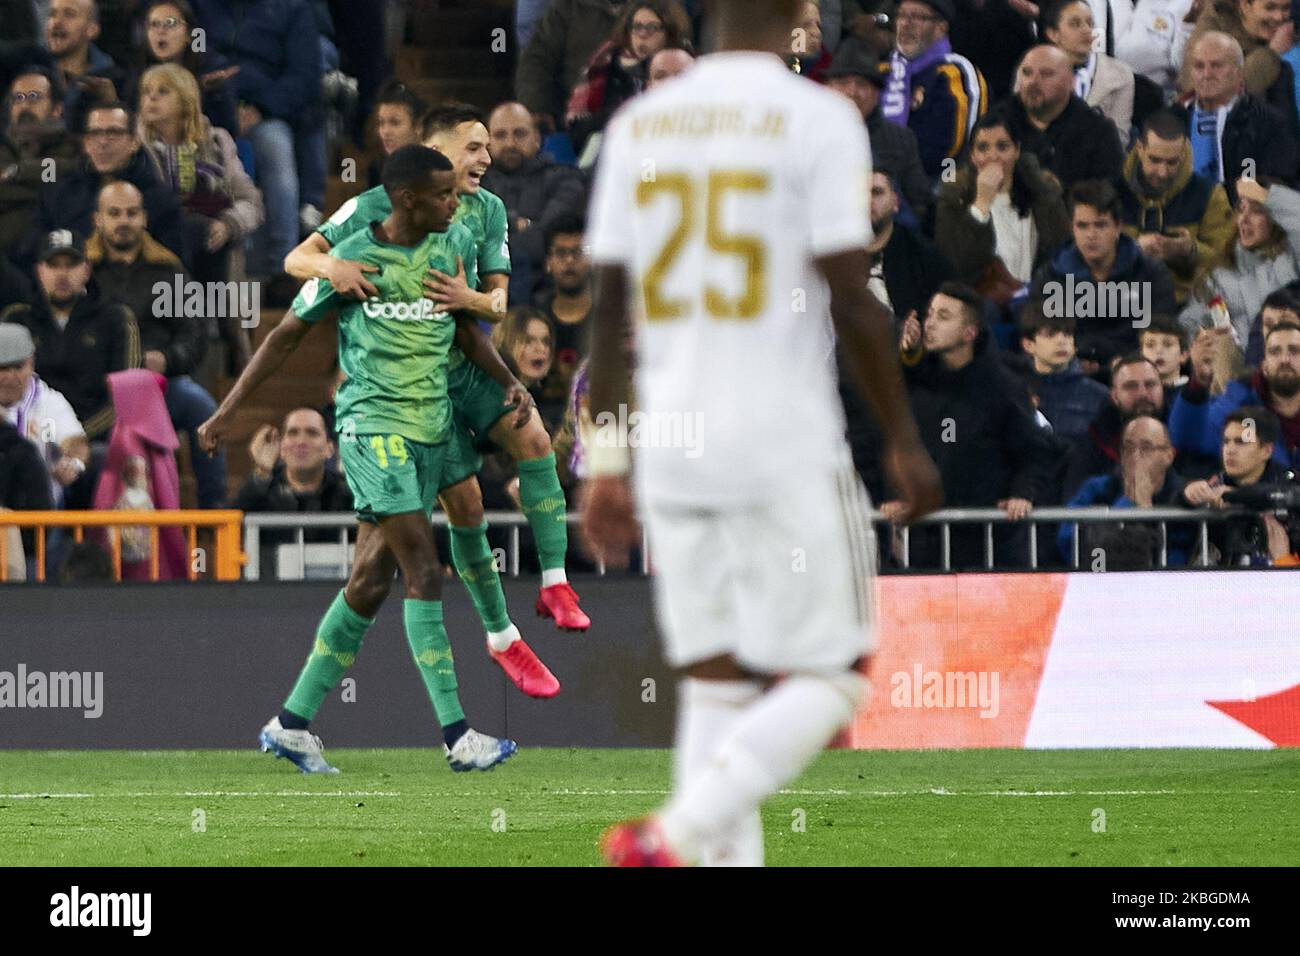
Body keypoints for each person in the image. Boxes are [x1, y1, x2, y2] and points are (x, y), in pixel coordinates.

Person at [583, 0, 943, 867]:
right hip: (780, 430)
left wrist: (605, 456)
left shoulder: (642, 123)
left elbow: (605, 304)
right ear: (790, 20)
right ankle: (672, 835)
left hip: (672, 434)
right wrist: (902, 434)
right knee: (835, 674)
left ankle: (696, 841)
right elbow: (852, 295)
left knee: (715, 683)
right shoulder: (818, 119)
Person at [197, 145, 526, 774]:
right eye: (444, 195)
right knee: (424, 570)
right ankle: (459, 735)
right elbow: (285, 336)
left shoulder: (449, 247)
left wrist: (508, 379)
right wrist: (226, 412)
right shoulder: (352, 263)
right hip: (373, 433)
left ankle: (291, 723)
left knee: (371, 582)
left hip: (431, 430)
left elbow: (461, 330)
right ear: (407, 198)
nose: (457, 204)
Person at [286, 102, 593, 640]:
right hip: (407, 390)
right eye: (474, 147)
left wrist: (466, 296)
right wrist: (332, 265)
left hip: (470, 359)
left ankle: (554, 582)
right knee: (443, 523)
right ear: (437, 151)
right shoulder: (373, 207)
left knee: (536, 441)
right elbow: (296, 259)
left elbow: (498, 307)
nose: (486, 157)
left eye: (488, 148)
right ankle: (499, 637)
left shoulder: (490, 209)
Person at [887, 283, 1059, 568]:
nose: (929, 324)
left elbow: (1035, 451)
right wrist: (893, 496)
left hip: (988, 546)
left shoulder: (1002, 387)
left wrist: (1022, 493)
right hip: (924, 545)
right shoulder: (916, 381)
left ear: (969, 333)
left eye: (943, 317)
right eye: (929, 315)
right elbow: (890, 443)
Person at [87, 180, 228, 507]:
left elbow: (196, 336)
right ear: (98, 219)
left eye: (132, 213)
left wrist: (166, 359)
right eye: (115, 213)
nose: (124, 221)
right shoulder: (83, 272)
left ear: (145, 219)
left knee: (203, 408)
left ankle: (214, 515)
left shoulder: (170, 270)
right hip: (98, 389)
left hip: (157, 387)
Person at [190, 0, 324, 287]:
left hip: (267, 110)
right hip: (206, 104)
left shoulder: (293, 9)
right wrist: (212, 81)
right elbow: (194, 45)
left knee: (277, 148)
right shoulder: (203, 6)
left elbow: (304, 76)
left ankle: (282, 270)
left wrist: (262, 107)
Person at [137, 62, 263, 304]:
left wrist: (228, 225)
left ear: (186, 99)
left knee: (211, 238)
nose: (151, 98)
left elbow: (251, 202)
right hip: (159, 242)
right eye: (146, 92)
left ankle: (225, 331)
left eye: (162, 91)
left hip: (214, 244)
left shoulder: (218, 141)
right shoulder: (136, 147)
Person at [0, 229, 138, 444]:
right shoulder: (16, 319)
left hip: (95, 440)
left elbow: (124, 398)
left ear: (86, 270)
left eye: (71, 264)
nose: (62, 274)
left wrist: (74, 437)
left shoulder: (116, 318)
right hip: (25, 438)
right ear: (39, 270)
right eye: (53, 265)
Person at [1029, 178, 1178, 369]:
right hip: (1069, 372)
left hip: (1136, 371)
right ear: (1072, 228)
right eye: (1082, 226)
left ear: (1117, 227)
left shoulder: (1151, 274)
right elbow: (1038, 336)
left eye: (1100, 225)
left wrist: (1120, 362)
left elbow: (1161, 334)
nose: (1091, 235)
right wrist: (1074, 361)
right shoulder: (1049, 277)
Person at [934, 109, 1071, 298]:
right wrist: (981, 204)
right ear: (972, 156)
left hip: (1037, 300)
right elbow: (957, 267)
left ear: (1017, 150)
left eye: (1002, 146)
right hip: (979, 303)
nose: (993, 156)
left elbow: (1064, 251)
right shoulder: (953, 198)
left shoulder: (1043, 195)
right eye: (983, 148)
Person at [32, 100, 186, 268]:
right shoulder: (59, 193)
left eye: (113, 132)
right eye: (95, 133)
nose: (103, 142)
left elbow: (174, 265)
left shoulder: (161, 199)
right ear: (86, 143)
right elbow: (35, 253)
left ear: (134, 142)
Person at [1119, 108, 1237, 306]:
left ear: (1183, 153)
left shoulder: (1209, 195)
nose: (1163, 172)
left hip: (1185, 307)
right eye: (1155, 160)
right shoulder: (1111, 193)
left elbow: (1229, 263)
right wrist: (1135, 248)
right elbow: (1088, 257)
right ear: (1139, 148)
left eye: (1172, 162)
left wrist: (1190, 251)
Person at [482, 101, 586, 307]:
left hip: (547, 295)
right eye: (500, 135)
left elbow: (545, 243)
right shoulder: (476, 183)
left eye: (519, 134)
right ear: (488, 142)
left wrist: (499, 234)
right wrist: (516, 223)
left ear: (537, 138)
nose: (510, 143)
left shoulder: (565, 180)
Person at [823, 34, 933, 228]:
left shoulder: (901, 139)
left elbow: (920, 204)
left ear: (876, 95)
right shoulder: (805, 136)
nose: (852, 91)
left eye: (861, 84)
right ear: (827, 88)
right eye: (842, 82)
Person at [1177, 31, 1298, 205]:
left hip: (1242, 217)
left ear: (1240, 74)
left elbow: (1278, 184)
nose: (1207, 74)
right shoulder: (1174, 119)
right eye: (1199, 66)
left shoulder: (1268, 124)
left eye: (1216, 66)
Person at [1057, 415, 1193, 566]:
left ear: (1169, 455)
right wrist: (1128, 505)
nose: (1135, 456)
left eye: (1146, 448)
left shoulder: (1185, 495)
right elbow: (1069, 544)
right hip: (1106, 583)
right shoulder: (1097, 489)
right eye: (1128, 448)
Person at [1179, 176, 1300, 345]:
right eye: (1242, 210)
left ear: (1275, 217)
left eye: (1257, 211)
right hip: (1240, 368)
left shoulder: (1293, 259)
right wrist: (1202, 338)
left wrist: (1266, 195)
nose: (1244, 219)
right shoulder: (1217, 276)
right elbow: (1189, 325)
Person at [1170, 319, 1300, 471]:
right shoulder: (1239, 401)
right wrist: (1199, 381)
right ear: (1264, 365)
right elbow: (1189, 439)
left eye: (1294, 351)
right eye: (1275, 352)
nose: (1285, 360)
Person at [565, 0, 692, 156]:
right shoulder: (606, 63)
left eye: (652, 28)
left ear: (670, 31)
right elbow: (579, 132)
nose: (642, 35)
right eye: (637, 27)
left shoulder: (686, 64)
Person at [880, 0, 988, 180]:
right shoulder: (883, 70)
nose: (906, 24)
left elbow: (950, 148)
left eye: (916, 17)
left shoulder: (956, 71)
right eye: (901, 15)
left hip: (939, 181)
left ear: (940, 27)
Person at [1181, 404, 1300, 564]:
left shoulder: (1289, 482)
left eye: (1241, 442)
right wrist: (1186, 494)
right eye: (1226, 441)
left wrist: (1234, 497)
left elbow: (1273, 494)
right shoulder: (1215, 484)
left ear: (1266, 450)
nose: (1230, 450)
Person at [235, 407, 353, 565]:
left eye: (312, 433)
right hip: (269, 589)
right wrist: (261, 472)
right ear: (281, 448)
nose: (301, 442)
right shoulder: (261, 489)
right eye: (293, 433)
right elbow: (229, 523)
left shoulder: (348, 493)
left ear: (329, 448)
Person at [1001, 44, 1125, 192]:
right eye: (1027, 73)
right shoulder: (1000, 120)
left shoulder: (1099, 132)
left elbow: (1105, 197)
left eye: (1046, 74)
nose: (1033, 82)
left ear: (1071, 82)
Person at [1176, 0, 1300, 132]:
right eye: (1270, 8)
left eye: (1285, 8)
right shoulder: (1210, 35)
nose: (1279, 17)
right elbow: (1213, 96)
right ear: (1245, 6)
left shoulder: (1288, 33)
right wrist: (1271, 53)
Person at [0, 322, 88, 506]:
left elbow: (76, 444)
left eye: (17, 367)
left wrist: (72, 465)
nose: (8, 377)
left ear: (31, 363)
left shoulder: (49, 402)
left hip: (39, 514)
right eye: (2, 368)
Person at [515, 0, 629, 137]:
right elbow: (536, 61)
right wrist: (537, 108)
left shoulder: (655, 6)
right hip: (573, 123)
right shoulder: (566, 8)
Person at [124, 0, 239, 136]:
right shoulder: (137, 69)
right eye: (154, 24)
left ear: (189, 34)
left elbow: (228, 129)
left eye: (170, 23)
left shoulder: (209, 69)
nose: (160, 31)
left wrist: (215, 93)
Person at [1, 66, 81, 252]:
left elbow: (69, 176)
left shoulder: (71, 147)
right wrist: (43, 182)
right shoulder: (3, 149)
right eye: (17, 99)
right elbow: (53, 183)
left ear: (57, 109)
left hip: (58, 258)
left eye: (34, 97)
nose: (24, 106)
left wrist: (16, 172)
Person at [1063, 353, 1167, 496]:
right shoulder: (1093, 442)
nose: (1143, 394)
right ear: (1114, 396)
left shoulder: (1181, 432)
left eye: (1150, 384)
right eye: (1131, 386)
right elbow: (1076, 503)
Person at [1043, 0, 1136, 142]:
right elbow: (1025, 131)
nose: (1086, 30)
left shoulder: (1121, 76)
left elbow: (1119, 140)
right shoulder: (1032, 70)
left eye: (1090, 23)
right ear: (1053, 34)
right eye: (1075, 24)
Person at [1019, 300, 1109, 440]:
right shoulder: (1014, 391)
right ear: (1028, 345)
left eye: (1067, 334)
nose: (1062, 341)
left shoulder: (1099, 396)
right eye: (1050, 334)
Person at [535, 214, 593, 412]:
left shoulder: (608, 320)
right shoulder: (532, 316)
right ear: (548, 261)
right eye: (561, 252)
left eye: (578, 252)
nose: (569, 260)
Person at [46, 0, 126, 132]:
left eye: (69, 14)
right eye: (52, 14)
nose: (56, 22)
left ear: (92, 30)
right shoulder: (30, 72)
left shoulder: (117, 80)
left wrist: (111, 103)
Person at [1115, 0, 1197, 96]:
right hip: (1114, 85)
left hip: (1154, 96)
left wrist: (1188, 25)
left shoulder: (1189, 7)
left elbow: (1181, 67)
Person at [365, 80, 426, 188]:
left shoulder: (433, 170)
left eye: (395, 123)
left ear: (417, 126)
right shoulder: (377, 169)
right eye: (381, 123)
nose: (385, 131)